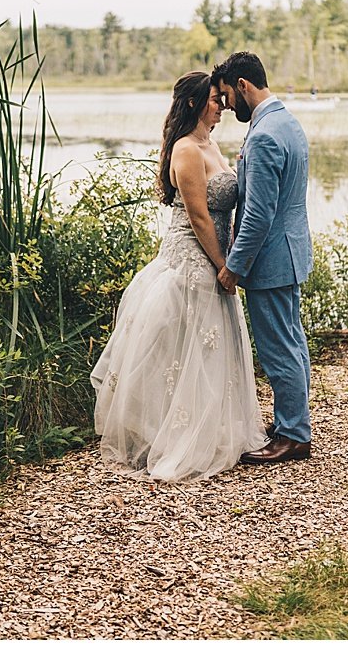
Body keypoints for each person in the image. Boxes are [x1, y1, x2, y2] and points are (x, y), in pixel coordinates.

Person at [90, 71, 268, 482]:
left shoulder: (211, 144)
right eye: (212, 99)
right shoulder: (187, 150)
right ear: (192, 104)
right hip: (192, 257)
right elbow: (200, 217)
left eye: (220, 99)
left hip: (217, 259)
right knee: (180, 351)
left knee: (206, 349)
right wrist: (225, 264)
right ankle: (173, 435)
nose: (221, 104)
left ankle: (213, 428)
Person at [213, 52, 314, 464]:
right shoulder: (287, 122)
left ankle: (293, 435)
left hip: (271, 260)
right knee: (292, 339)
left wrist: (234, 267)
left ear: (242, 85)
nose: (225, 106)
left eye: (226, 96)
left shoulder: (264, 136)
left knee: (278, 348)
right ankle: (293, 420)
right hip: (291, 253)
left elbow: (257, 214)